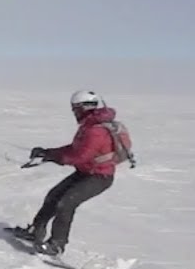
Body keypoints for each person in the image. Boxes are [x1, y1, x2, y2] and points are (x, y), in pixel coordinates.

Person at [11, 90, 134, 256]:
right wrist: (47, 152)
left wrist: (52, 157)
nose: (74, 112)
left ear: (82, 108)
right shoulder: (90, 126)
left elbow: (79, 156)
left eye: (75, 108)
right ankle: (35, 231)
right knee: (54, 195)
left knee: (66, 203)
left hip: (99, 177)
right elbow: (76, 149)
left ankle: (57, 245)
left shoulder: (95, 130)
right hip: (86, 172)